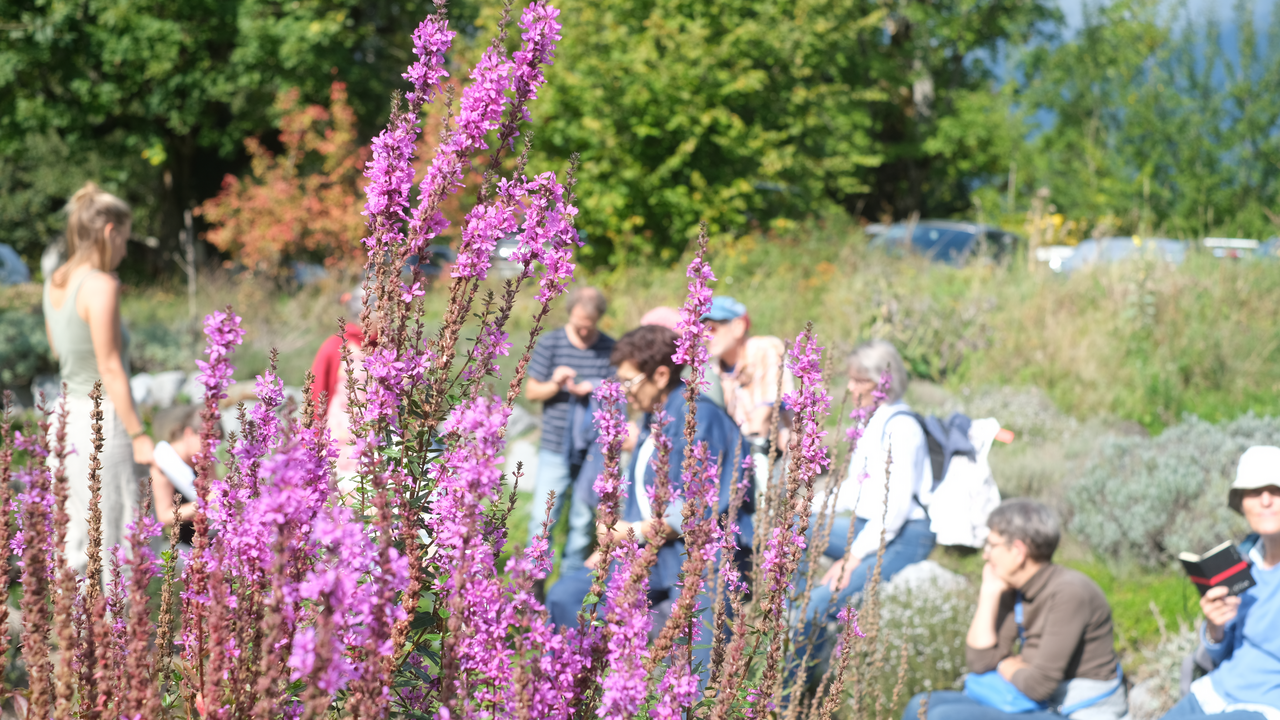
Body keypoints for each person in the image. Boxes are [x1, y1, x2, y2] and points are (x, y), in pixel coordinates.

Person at [545, 325, 753, 677]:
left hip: (703, 563)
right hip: (653, 555)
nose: (625, 393)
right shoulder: (658, 415)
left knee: (695, 666)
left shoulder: (699, 418)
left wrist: (629, 531)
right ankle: (569, 692)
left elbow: (694, 509)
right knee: (568, 595)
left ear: (660, 374)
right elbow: (644, 499)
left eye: (629, 382)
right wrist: (609, 548)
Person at [903, 499, 1126, 720]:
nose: (985, 554)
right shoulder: (1015, 588)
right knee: (921, 705)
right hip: (1034, 698)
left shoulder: (1070, 593)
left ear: (1018, 550)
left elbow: (1038, 685)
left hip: (1077, 707)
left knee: (942, 717)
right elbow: (980, 663)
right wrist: (988, 593)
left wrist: (1005, 664)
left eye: (992, 545)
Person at [43, 182, 155, 575]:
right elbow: (110, 367)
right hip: (102, 423)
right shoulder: (102, 285)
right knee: (117, 547)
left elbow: (59, 350)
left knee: (73, 541)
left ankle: (68, 634)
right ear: (110, 232)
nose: (125, 249)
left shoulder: (56, 281)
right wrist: (139, 434)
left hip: (62, 420)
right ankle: (116, 636)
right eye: (125, 238)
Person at [802, 340, 936, 619]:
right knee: (797, 525)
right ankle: (791, 605)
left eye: (859, 380)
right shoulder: (869, 421)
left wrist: (851, 560)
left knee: (816, 607)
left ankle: (806, 618)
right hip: (868, 524)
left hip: (904, 535)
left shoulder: (901, 427)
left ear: (883, 383)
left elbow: (894, 509)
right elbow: (857, 487)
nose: (850, 388)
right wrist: (806, 506)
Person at [1160, 446, 1280, 720]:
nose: (1265, 500)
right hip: (1215, 691)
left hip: (1266, 706)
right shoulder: (1243, 560)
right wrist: (1216, 628)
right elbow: (1219, 655)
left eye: (1276, 490)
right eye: (1254, 491)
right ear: (1241, 502)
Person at [524, 286, 615, 555]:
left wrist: (594, 387)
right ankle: (534, 579)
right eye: (578, 325)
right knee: (543, 517)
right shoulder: (551, 343)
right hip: (555, 444)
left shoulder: (609, 347)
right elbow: (531, 392)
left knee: (583, 521)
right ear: (569, 315)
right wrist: (555, 383)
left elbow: (618, 392)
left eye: (590, 326)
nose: (584, 331)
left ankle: (570, 584)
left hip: (592, 450)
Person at [703, 296, 792, 439]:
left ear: (738, 326)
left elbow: (764, 415)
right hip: (741, 450)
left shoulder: (765, 348)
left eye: (712, 328)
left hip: (779, 450)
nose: (706, 336)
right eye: (702, 329)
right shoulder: (714, 369)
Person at [309, 286, 370, 488]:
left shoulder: (386, 347)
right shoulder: (334, 346)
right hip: (339, 441)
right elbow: (317, 394)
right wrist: (310, 444)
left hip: (375, 440)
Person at [149, 405, 208, 546]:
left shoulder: (203, 460)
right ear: (188, 433)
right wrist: (202, 505)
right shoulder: (162, 462)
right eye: (206, 442)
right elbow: (162, 517)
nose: (211, 450)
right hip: (178, 546)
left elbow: (214, 490)